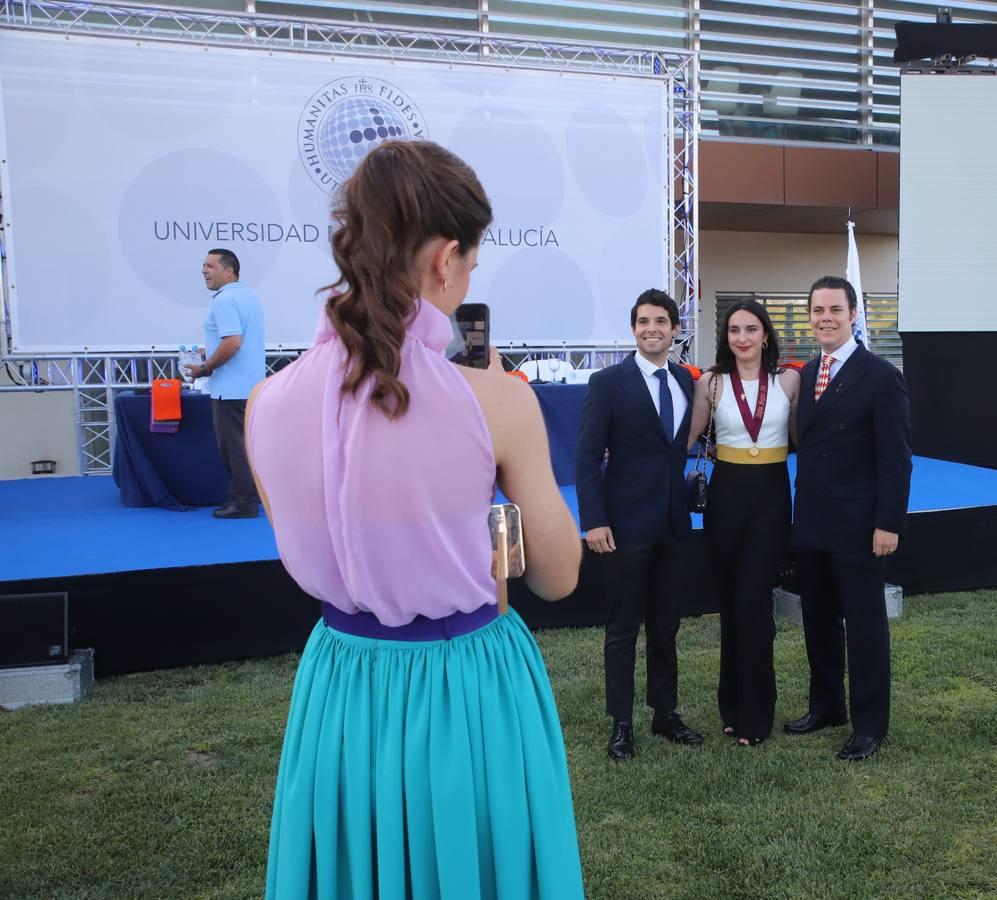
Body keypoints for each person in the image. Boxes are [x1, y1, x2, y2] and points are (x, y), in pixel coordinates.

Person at [245, 140, 585, 898]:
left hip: (338, 688)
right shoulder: (495, 400)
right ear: (444, 258)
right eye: (470, 264)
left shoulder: (267, 405)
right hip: (465, 688)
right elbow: (560, 577)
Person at [785, 275, 912, 762]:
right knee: (818, 621)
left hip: (861, 527)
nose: (825, 318)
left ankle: (870, 724)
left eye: (835, 309)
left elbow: (896, 458)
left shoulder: (881, 376)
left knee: (863, 625)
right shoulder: (809, 370)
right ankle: (827, 707)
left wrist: (889, 523)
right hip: (813, 523)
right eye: (817, 310)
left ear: (854, 314)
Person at [575, 288, 704, 761]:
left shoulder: (685, 382)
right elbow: (586, 458)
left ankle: (665, 714)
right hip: (624, 526)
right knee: (623, 627)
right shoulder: (607, 383)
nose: (653, 328)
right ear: (634, 329)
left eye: (662, 321)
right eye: (644, 321)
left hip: (674, 525)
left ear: (674, 329)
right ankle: (622, 724)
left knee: (666, 626)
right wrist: (593, 520)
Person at [687, 300, 800, 747]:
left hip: (771, 497)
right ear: (726, 337)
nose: (742, 338)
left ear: (766, 334)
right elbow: (686, 438)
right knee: (732, 606)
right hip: (726, 496)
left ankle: (758, 714)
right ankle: (731, 707)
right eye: (734, 330)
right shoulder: (711, 383)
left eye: (751, 329)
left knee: (754, 604)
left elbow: (810, 436)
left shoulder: (789, 379)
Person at [183, 248, 266, 519]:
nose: (204, 271)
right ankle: (248, 497)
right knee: (246, 446)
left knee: (235, 448)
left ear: (229, 270)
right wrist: (212, 351)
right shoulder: (248, 297)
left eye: (210, 266)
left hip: (230, 389)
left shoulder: (224, 301)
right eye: (203, 266)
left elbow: (232, 343)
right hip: (249, 386)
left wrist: (205, 368)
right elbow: (236, 342)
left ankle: (243, 501)